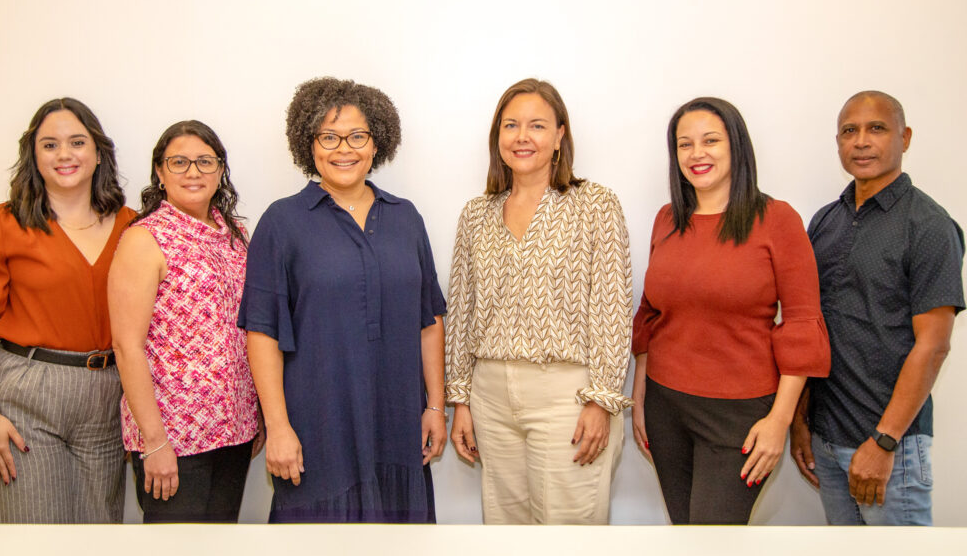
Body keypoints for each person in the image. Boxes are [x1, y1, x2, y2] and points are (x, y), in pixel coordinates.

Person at [239, 77, 446, 523]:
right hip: (319, 428)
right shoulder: (282, 222)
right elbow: (262, 332)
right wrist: (277, 427)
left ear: (377, 144)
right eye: (328, 137)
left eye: (357, 136)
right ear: (308, 145)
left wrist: (435, 405)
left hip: (397, 422)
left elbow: (428, 320)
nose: (343, 149)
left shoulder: (405, 217)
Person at [631, 96, 831, 525]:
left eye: (710, 140)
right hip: (666, 408)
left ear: (736, 146)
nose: (697, 153)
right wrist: (640, 397)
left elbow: (801, 324)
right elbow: (651, 314)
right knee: (686, 535)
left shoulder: (777, 220)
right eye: (685, 144)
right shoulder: (668, 219)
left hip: (740, 417)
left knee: (713, 540)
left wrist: (780, 420)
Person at [445, 78, 632, 525]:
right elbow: (461, 311)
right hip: (490, 395)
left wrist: (601, 400)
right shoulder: (476, 214)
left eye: (537, 126)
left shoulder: (595, 204)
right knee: (505, 533)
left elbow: (612, 307)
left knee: (569, 535)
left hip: (567, 395)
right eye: (510, 126)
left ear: (560, 136)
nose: (522, 137)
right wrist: (462, 401)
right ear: (498, 138)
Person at [0, 97, 133, 523]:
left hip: (106, 393)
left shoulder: (132, 226)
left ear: (99, 152)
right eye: (49, 145)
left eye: (77, 142)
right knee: (29, 535)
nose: (64, 154)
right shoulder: (3, 223)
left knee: (98, 533)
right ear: (33, 155)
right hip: (27, 394)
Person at [789, 91, 964, 526]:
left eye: (877, 129)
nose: (861, 141)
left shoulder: (929, 226)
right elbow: (813, 330)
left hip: (889, 448)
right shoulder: (825, 221)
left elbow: (934, 346)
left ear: (904, 138)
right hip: (827, 437)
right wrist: (801, 420)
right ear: (838, 142)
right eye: (850, 131)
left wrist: (883, 442)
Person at [108, 120, 260, 523]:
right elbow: (127, 346)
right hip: (174, 437)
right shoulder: (144, 239)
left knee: (221, 544)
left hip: (235, 429)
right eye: (179, 162)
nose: (193, 172)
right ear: (160, 171)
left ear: (221, 170)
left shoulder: (236, 234)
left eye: (205, 162)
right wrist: (155, 442)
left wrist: (257, 413)